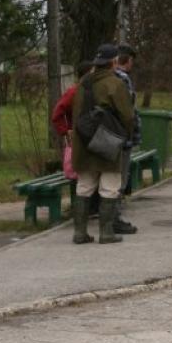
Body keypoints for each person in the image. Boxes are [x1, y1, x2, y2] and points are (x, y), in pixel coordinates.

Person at [71, 43, 135, 244]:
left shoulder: (83, 83)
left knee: (84, 186)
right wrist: (126, 136)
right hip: (107, 141)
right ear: (114, 61)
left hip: (84, 140)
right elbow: (127, 115)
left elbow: (76, 112)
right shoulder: (115, 84)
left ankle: (80, 233)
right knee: (110, 186)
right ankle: (106, 233)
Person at [51, 61, 96, 214]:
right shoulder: (74, 92)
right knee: (83, 176)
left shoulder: (93, 91)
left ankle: (90, 209)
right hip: (80, 140)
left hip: (91, 139)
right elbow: (57, 113)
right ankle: (83, 211)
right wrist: (66, 131)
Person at [113, 43, 140, 234]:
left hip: (104, 137)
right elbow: (128, 110)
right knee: (118, 179)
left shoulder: (98, 78)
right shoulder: (123, 79)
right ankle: (114, 219)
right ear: (127, 60)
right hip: (122, 136)